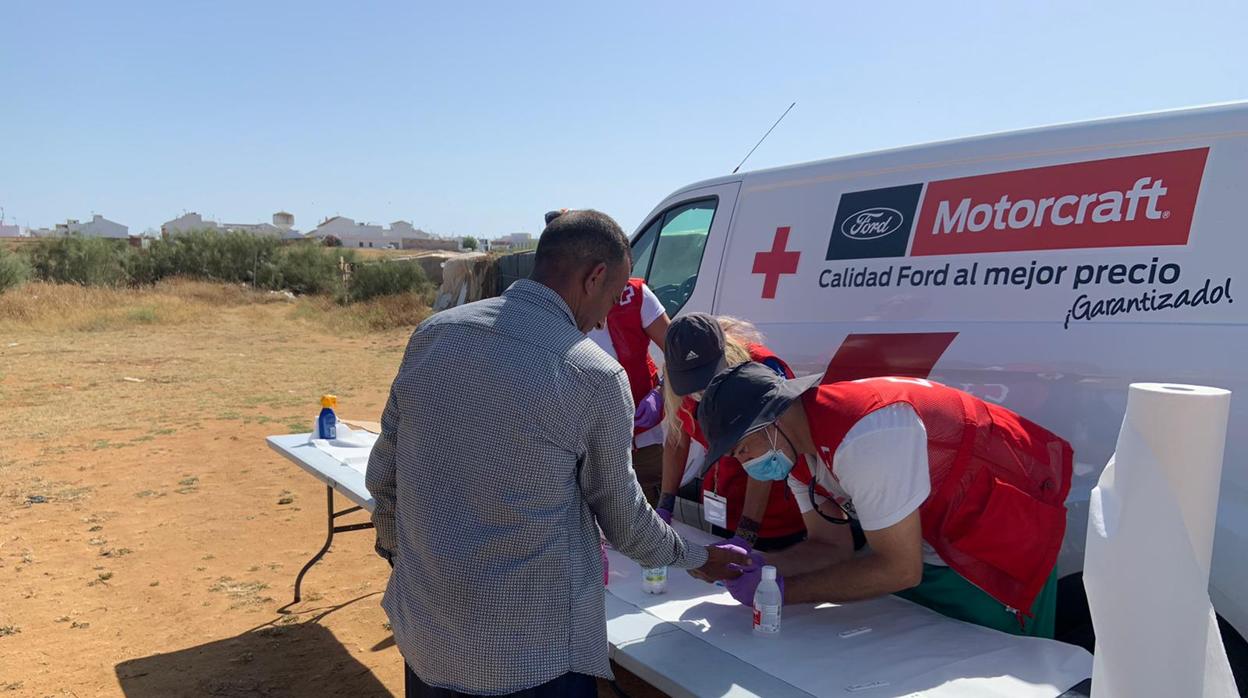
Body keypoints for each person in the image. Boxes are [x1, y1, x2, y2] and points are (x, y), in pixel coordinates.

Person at [366, 209, 747, 697]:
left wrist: (412, 566)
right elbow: (626, 522)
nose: (608, 316)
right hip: (531, 654)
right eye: (612, 297)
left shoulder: (433, 334)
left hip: (428, 639)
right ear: (594, 278)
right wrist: (697, 558)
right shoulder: (594, 376)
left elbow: (384, 477)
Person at [695, 363, 1073, 638]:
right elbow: (829, 545)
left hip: (996, 550)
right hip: (931, 550)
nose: (746, 465)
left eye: (743, 450)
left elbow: (898, 570)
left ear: (772, 421)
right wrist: (761, 565)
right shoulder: (796, 450)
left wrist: (782, 592)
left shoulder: (866, 436)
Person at [548, 209, 670, 504]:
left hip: (644, 439)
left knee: (647, 513)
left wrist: (661, 393)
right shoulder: (552, 306)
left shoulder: (636, 295)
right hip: (587, 443)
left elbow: (679, 354)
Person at [655, 313, 805, 551]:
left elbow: (764, 448)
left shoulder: (760, 370)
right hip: (724, 503)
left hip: (776, 511)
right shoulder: (680, 378)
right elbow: (677, 437)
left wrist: (746, 534)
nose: (699, 391)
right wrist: (665, 505)